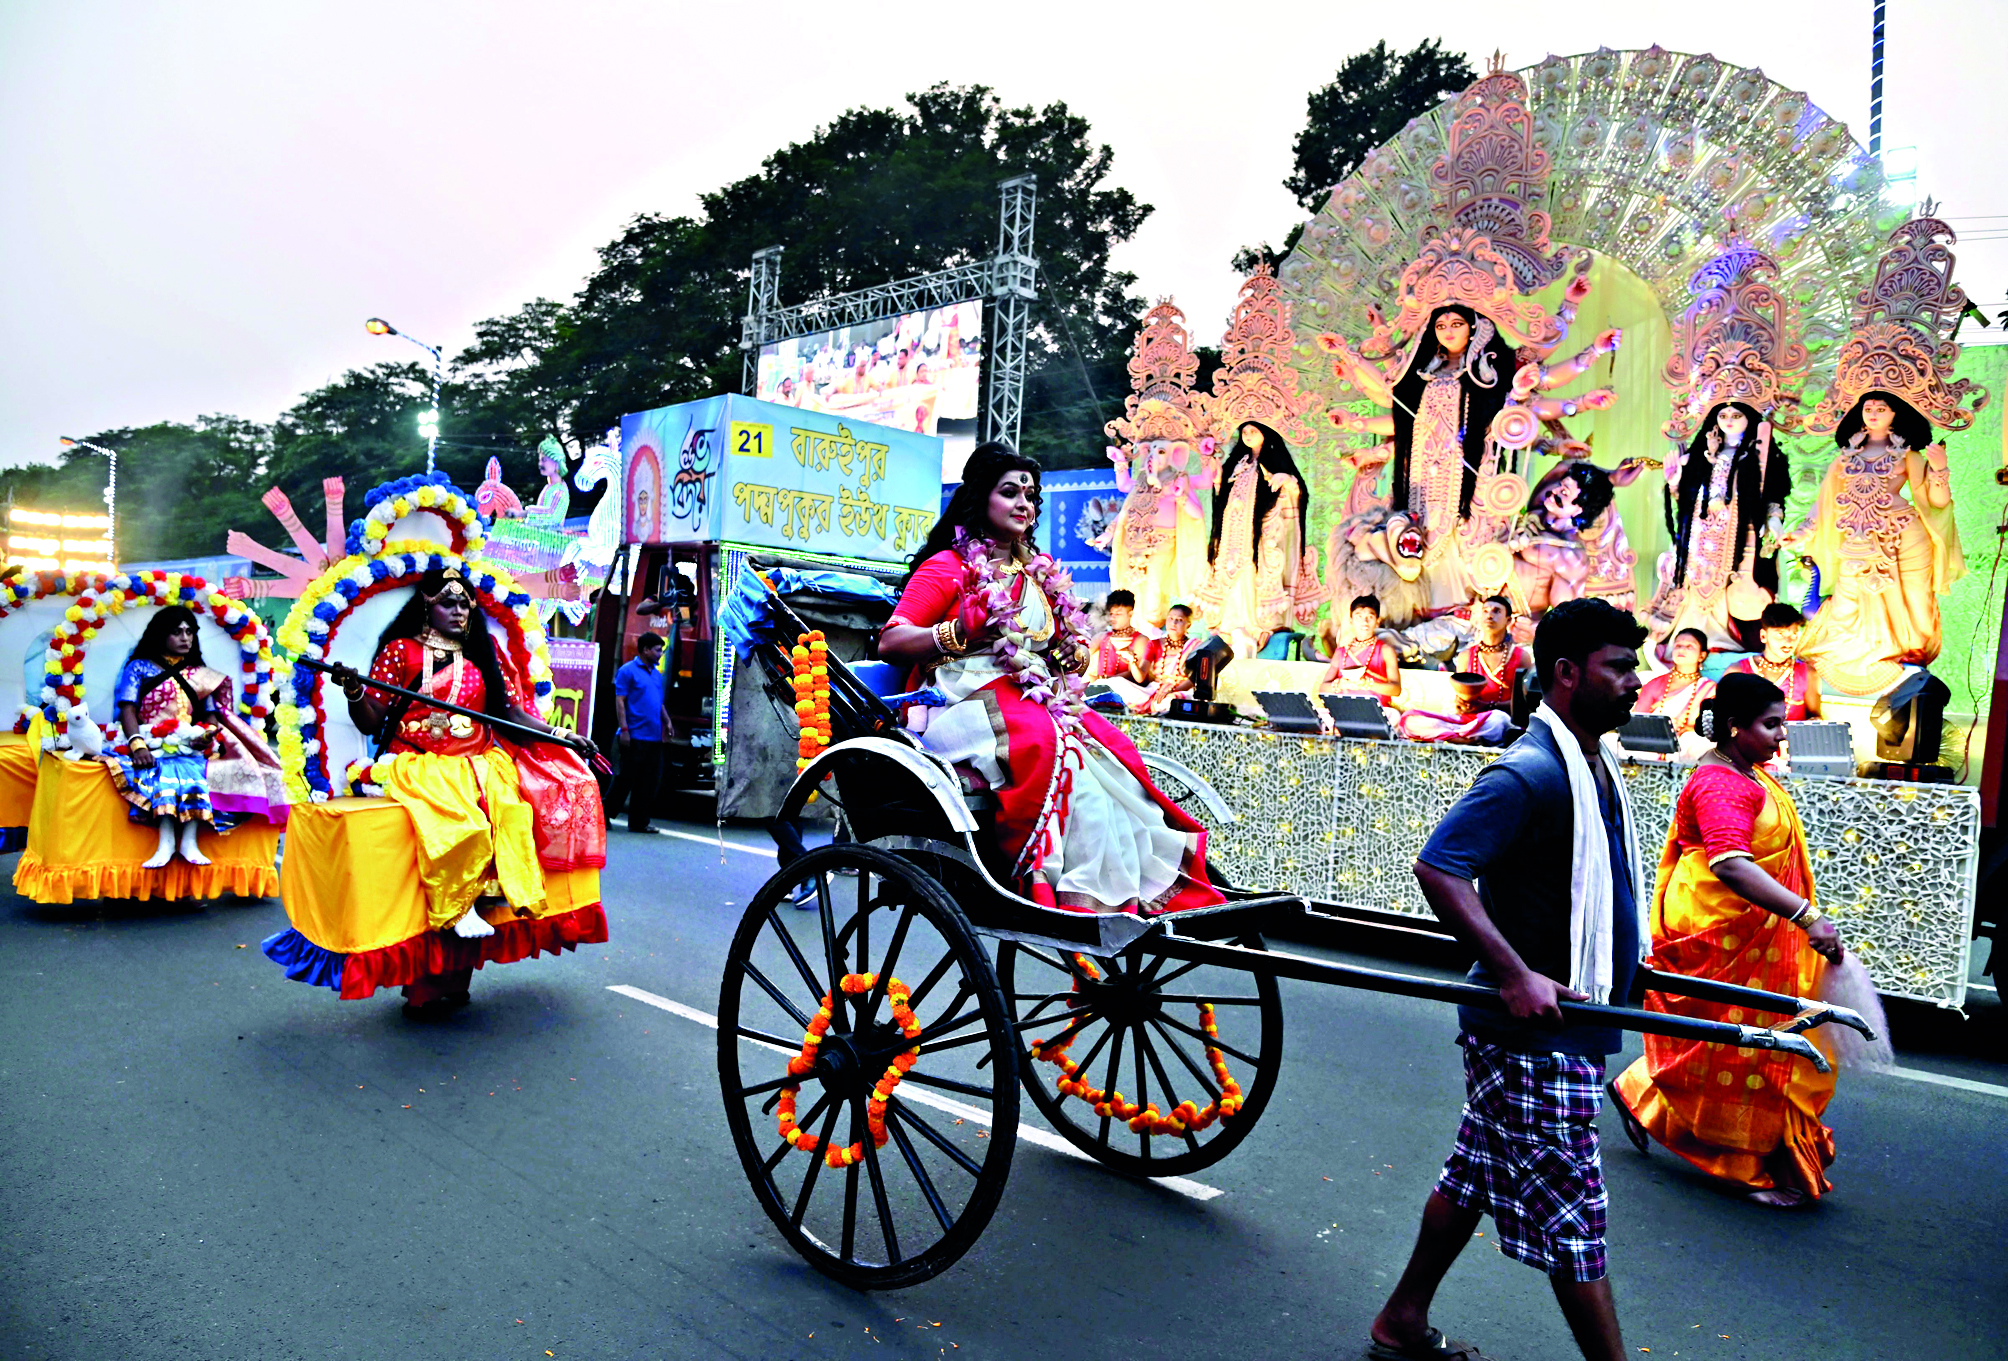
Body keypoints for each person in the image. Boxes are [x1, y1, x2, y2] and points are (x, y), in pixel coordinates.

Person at [1369, 597, 1646, 1361]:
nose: (1635, 681)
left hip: (1566, 1020)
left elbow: (1590, 890)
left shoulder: (1592, 764)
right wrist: (1515, 973)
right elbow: (1440, 866)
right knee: (1576, 1219)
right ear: (1566, 673)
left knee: (1474, 1175)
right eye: (1619, 667)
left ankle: (1401, 1319)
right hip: (1531, 1032)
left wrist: (1635, 962)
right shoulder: (1530, 772)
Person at [878, 442, 1222, 914]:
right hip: (961, 704)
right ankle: (1054, 890)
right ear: (979, 498)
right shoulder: (949, 567)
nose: (1024, 503)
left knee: (1110, 756)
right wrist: (960, 631)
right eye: (1010, 492)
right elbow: (891, 642)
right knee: (1053, 747)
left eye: (1030, 495)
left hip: (1031, 699)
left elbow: (1054, 650)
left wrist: (1071, 654)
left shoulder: (1035, 575)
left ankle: (1122, 894)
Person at [1609, 672, 1846, 1208]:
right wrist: (1808, 917)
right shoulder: (1722, 783)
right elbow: (1731, 865)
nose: (1781, 735)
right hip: (1716, 930)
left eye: (1782, 723)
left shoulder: (1751, 774)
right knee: (1742, 1045)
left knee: (1737, 1039)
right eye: (1771, 725)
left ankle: (1639, 1092)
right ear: (1736, 727)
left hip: (1754, 928)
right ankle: (1741, 1161)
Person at [326, 566, 602, 1015]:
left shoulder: (483, 653)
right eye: (448, 603)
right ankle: (451, 922)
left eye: (464, 604)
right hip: (418, 766)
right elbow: (373, 721)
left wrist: (561, 735)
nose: (458, 611)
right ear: (426, 607)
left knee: (516, 815)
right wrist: (356, 691)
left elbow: (510, 713)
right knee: (464, 826)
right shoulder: (401, 651)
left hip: (478, 765)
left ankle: (463, 961)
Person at [1786, 391, 1963, 695]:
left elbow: (1936, 502)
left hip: (1904, 537)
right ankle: (1851, 663)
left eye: (1882, 408)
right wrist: (1803, 531)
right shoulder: (1844, 457)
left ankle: (1908, 662)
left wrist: (1939, 469)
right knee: (1846, 605)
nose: (1873, 413)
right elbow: (1824, 502)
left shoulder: (1909, 456)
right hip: (1857, 537)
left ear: (1896, 415)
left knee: (1914, 606)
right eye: (1868, 407)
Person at [104, 605, 289, 869]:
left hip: (190, 744)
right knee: (170, 773)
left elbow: (211, 717)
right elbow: (128, 709)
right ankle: (166, 843)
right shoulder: (139, 667)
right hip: (148, 742)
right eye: (177, 632)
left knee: (201, 771)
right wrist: (138, 746)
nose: (185, 638)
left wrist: (206, 737)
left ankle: (188, 842)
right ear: (160, 635)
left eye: (190, 632)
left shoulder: (200, 672)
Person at [1651, 402, 1791, 650]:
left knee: (1731, 581)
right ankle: (1688, 639)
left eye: (1736, 415)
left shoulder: (1760, 455)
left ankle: (1727, 640)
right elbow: (1686, 499)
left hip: (1739, 533)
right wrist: (1674, 482)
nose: (1729, 420)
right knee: (1695, 580)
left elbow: (1772, 495)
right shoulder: (1700, 455)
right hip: (1701, 533)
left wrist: (1773, 520)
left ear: (1749, 418)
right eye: (1723, 415)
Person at [1196, 421, 1312, 655]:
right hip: (1232, 536)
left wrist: (1287, 480)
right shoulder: (1238, 463)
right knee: (1229, 575)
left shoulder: (1275, 462)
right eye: (1245, 432)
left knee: (1252, 577)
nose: (1248, 435)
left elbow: (1297, 492)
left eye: (1253, 431)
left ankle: (1254, 628)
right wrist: (1218, 480)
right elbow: (1222, 494)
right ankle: (1229, 628)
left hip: (1259, 537)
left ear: (1265, 433)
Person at [1725, 603, 1821, 719]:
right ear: (1763, 636)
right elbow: (1725, 718)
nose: (1788, 642)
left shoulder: (1808, 674)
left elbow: (1815, 719)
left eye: (1794, 635)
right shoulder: (1737, 672)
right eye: (1780, 635)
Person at [612, 632, 667, 833]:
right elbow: (620, 701)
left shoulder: (656, 674)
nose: (660, 654)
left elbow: (658, 702)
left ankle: (639, 822)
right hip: (634, 735)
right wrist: (624, 730)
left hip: (653, 737)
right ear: (645, 650)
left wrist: (667, 722)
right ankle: (605, 813)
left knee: (649, 782)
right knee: (625, 779)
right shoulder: (627, 671)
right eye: (657, 650)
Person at [1636, 629, 1714, 755]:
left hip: (1687, 745)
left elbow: (1710, 728)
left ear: (1702, 655)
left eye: (1689, 646)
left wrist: (1686, 729)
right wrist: (1661, 727)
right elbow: (1637, 720)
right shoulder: (1655, 684)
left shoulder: (1709, 689)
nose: (1681, 650)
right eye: (1678, 645)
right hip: (1653, 741)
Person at [1318, 594, 1401, 702]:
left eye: (1370, 617)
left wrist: (1368, 684)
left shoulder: (1386, 651)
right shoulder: (1341, 653)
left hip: (1376, 708)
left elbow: (1396, 690)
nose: (1364, 622)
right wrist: (1340, 685)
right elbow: (1322, 689)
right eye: (1359, 617)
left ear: (1378, 621)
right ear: (1351, 621)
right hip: (1346, 708)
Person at [1088, 589, 1159, 710]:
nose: (1113, 618)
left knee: (1116, 684)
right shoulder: (1102, 637)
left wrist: (1105, 680)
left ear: (1130, 614)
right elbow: (1083, 655)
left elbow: (1135, 676)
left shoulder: (1140, 640)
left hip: (1128, 695)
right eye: (1111, 614)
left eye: (1118, 614)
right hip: (1101, 692)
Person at [1458, 595, 1528, 716]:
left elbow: (1524, 703)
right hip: (1471, 721)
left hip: (1505, 722)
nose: (1489, 616)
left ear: (1508, 620)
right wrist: (1461, 704)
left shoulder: (1521, 657)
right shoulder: (1465, 657)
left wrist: (1488, 706)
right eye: (1485, 611)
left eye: (1496, 611)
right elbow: (1459, 699)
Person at [1144, 604, 1202, 714]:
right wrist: (1132, 661)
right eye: (1170, 618)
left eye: (1179, 620)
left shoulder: (1194, 646)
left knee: (1170, 700)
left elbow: (1194, 678)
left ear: (1188, 625)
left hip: (1181, 691)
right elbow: (1143, 676)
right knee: (1118, 684)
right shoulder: (1154, 644)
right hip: (1156, 689)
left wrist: (1171, 690)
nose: (1173, 623)